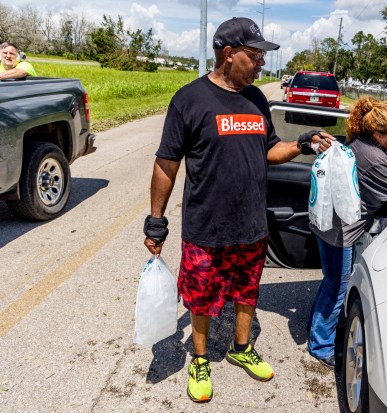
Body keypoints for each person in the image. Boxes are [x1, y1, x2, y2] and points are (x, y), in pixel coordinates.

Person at [143, 17, 333, 404]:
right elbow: (166, 164)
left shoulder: (256, 100)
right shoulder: (189, 99)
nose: (262, 62)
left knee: (247, 291)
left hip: (251, 223)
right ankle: (199, 358)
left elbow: (269, 149)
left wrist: (303, 144)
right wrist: (156, 219)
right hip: (204, 226)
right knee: (201, 298)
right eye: (255, 54)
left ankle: (240, 348)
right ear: (229, 55)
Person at [307, 96, 387, 368]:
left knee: (330, 280)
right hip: (342, 233)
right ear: (380, 134)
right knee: (337, 287)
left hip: (328, 222)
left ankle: (315, 325)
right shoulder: (377, 160)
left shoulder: (361, 142)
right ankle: (321, 346)